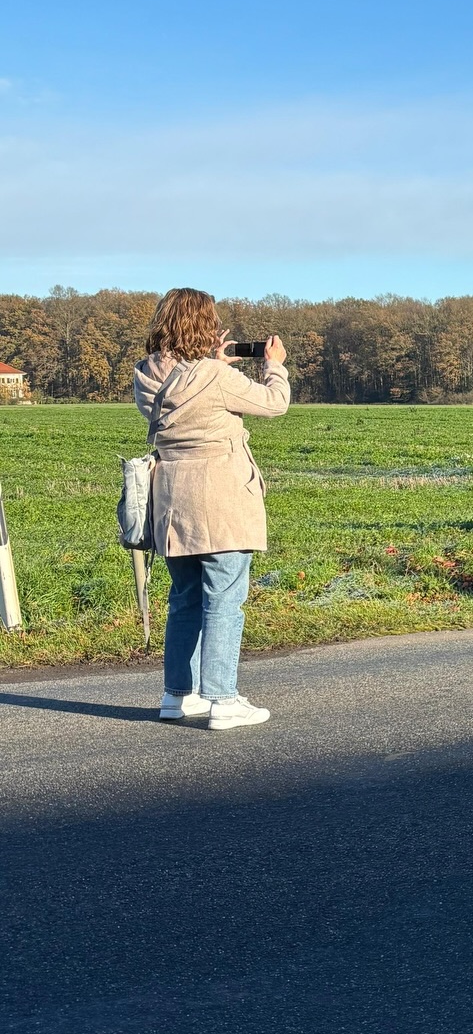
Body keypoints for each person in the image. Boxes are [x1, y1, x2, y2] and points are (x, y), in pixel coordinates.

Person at [133, 287, 290, 730]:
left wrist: (213, 363)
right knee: (224, 600)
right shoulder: (216, 378)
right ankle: (223, 698)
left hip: (172, 503)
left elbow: (183, 387)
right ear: (205, 325)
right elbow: (274, 404)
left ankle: (176, 695)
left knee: (183, 599)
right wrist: (274, 367)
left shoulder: (146, 375)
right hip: (220, 500)